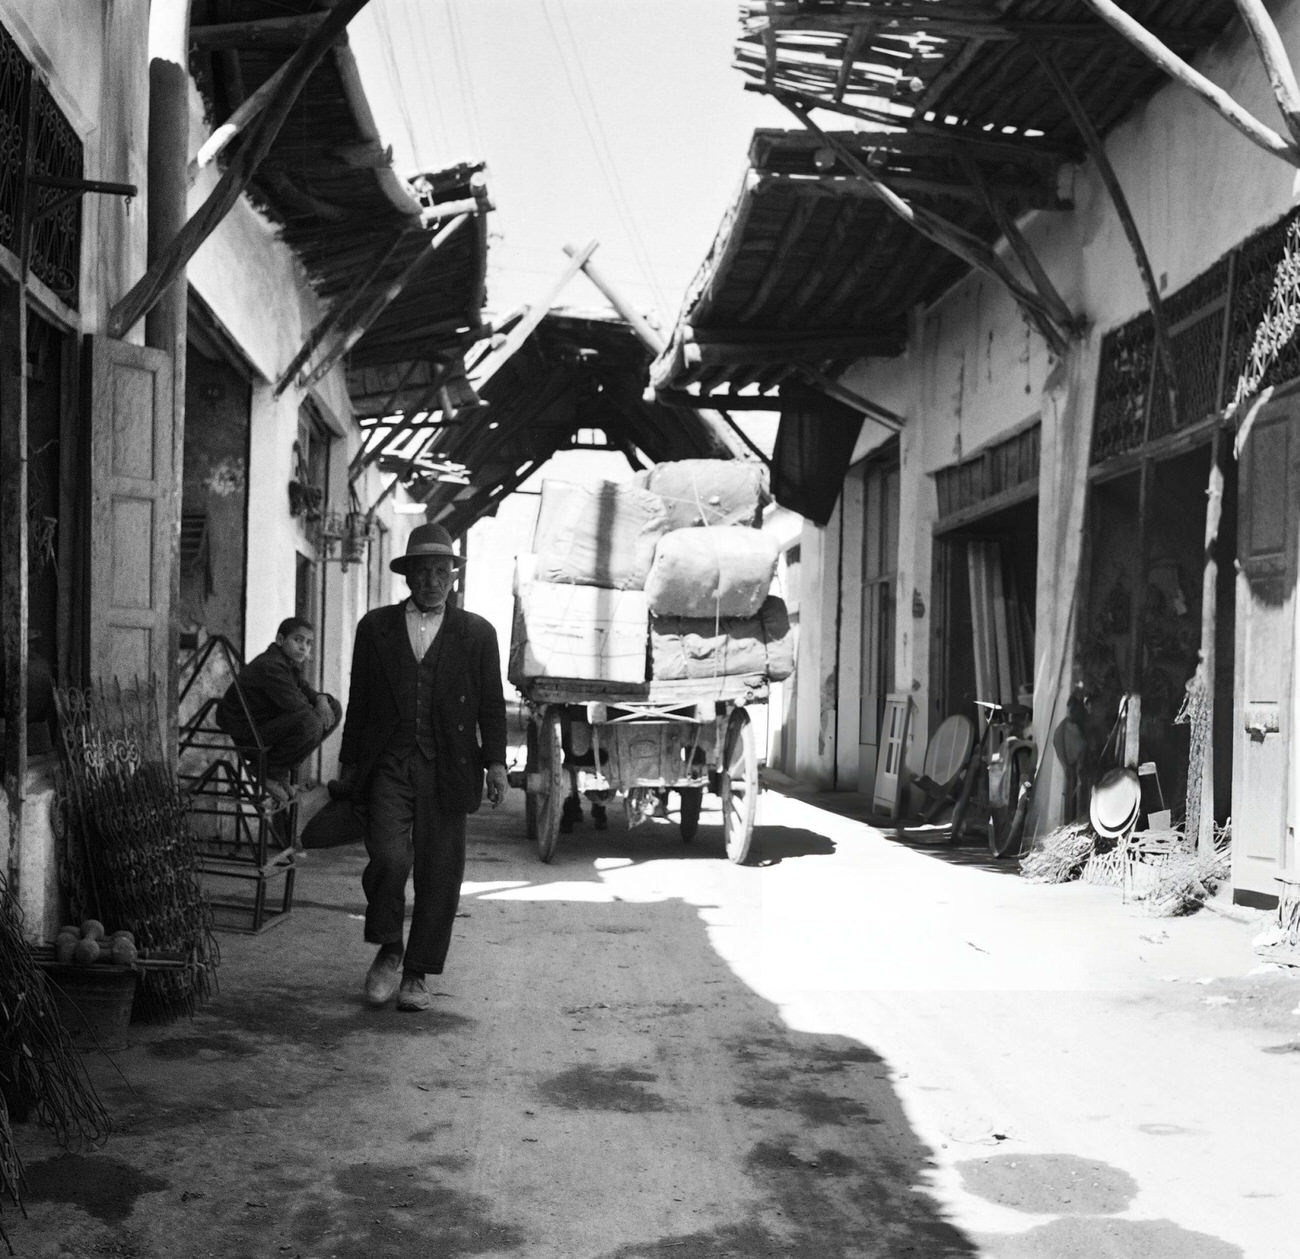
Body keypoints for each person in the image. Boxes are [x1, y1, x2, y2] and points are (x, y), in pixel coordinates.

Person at [336, 523, 509, 1013]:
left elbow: (491, 706)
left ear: (452, 576)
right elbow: (361, 698)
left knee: (440, 873)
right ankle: (389, 950)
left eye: (441, 570)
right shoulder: (376, 628)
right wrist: (350, 765)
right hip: (388, 763)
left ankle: (417, 973)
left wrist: (495, 762)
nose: (432, 579)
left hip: (449, 767)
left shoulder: (477, 633)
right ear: (408, 575)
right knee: (389, 857)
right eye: (423, 570)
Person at [215, 617, 340, 807]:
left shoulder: (287, 665)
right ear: (281, 640)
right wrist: (317, 704)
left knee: (333, 709)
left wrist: (322, 699)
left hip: (264, 728)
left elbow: (307, 693)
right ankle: (268, 771)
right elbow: (297, 705)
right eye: (298, 640)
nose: (303, 648)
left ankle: (281, 768)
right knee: (310, 721)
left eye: (308, 643)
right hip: (248, 735)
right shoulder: (271, 666)